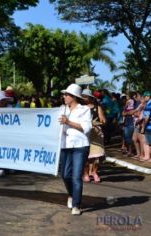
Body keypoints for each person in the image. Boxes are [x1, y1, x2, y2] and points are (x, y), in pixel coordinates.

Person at [58, 84, 92, 215]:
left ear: (74, 97)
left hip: (80, 145)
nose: (64, 97)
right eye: (64, 94)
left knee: (76, 176)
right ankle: (71, 195)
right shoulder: (62, 109)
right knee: (65, 175)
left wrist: (68, 122)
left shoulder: (84, 110)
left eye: (67, 95)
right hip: (65, 145)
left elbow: (86, 128)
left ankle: (76, 205)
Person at [81, 89, 106, 183]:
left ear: (90, 97)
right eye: (82, 96)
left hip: (96, 134)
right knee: (86, 156)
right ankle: (86, 173)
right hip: (85, 134)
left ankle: (95, 172)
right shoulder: (81, 107)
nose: (83, 98)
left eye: (85, 96)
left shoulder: (97, 107)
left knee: (97, 156)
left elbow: (103, 120)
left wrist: (97, 123)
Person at [0, 91, 14, 176]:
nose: (2, 102)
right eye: (0, 100)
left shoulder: (10, 108)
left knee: (9, 149)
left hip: (8, 132)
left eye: (3, 100)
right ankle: (1, 168)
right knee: (0, 150)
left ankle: (11, 166)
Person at [141, 91, 151, 163]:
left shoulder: (148, 105)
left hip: (149, 126)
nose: (144, 98)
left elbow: (147, 117)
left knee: (150, 143)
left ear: (148, 96)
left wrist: (143, 127)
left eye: (144, 97)